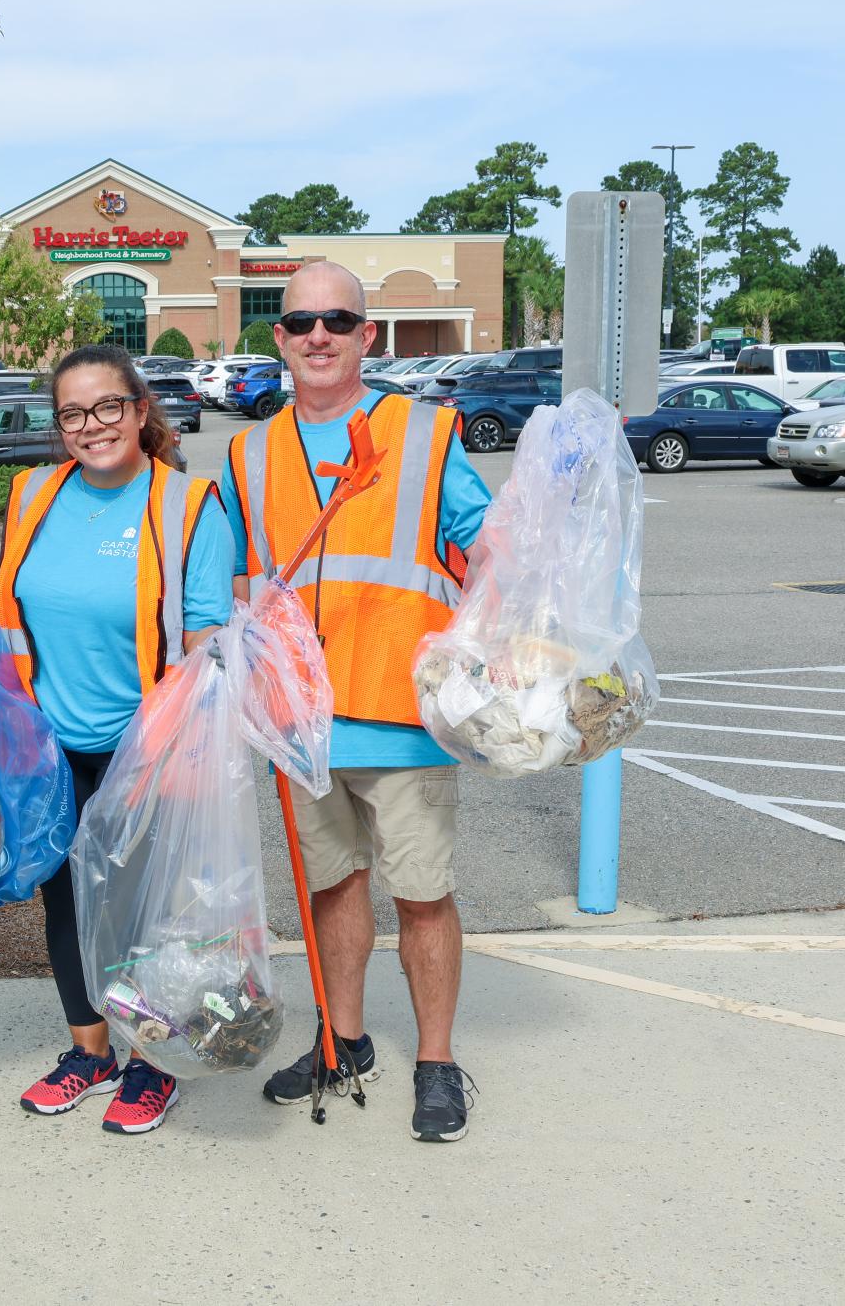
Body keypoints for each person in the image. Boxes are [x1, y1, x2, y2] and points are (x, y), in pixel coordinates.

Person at [221, 262, 491, 1142]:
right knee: (332, 889)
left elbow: (485, 545)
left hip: (402, 712)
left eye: (338, 318)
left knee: (421, 892)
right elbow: (223, 577)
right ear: (279, 339)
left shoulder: (425, 433)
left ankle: (439, 1062)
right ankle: (344, 1044)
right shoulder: (246, 451)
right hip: (300, 721)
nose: (319, 336)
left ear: (369, 334)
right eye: (300, 323)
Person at [0, 343, 232, 1135]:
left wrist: (187, 751)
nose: (91, 426)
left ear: (139, 410)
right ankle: (90, 1053)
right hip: (48, 746)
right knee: (65, 899)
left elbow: (204, 643)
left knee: (144, 916)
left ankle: (150, 1062)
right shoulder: (31, 496)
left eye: (106, 407)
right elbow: (5, 615)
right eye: (72, 413)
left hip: (148, 749)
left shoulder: (188, 506)